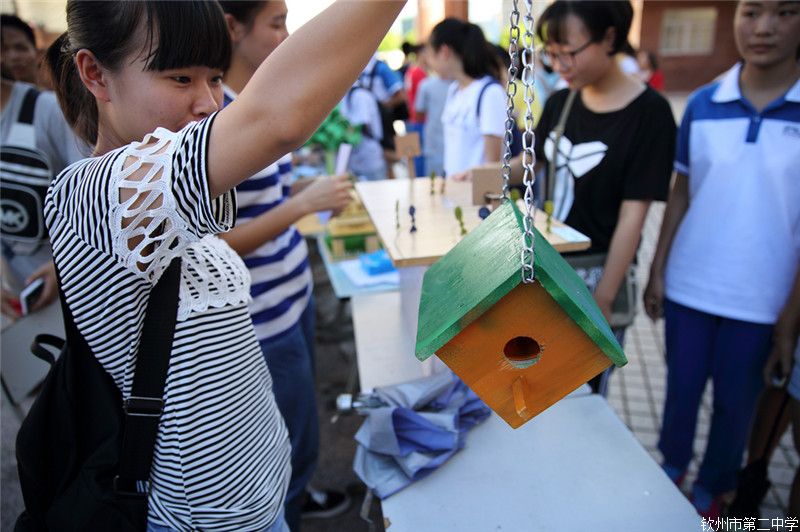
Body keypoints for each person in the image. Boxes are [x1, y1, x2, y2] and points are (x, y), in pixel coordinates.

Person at [44, 1, 405, 530]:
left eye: (214, 78)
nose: (208, 103)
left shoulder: (158, 196)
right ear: (95, 74)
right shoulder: (93, 193)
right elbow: (275, 119)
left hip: (256, 497)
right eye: (179, 77)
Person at [643, 0, 800, 519]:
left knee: (737, 409)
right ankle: (670, 474)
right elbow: (682, 190)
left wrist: (790, 317)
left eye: (785, 13)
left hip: (761, 301)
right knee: (679, 395)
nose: (765, 28)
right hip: (690, 288)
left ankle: (716, 495)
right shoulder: (706, 102)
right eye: (751, 12)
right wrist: (659, 269)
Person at [217, 2, 353, 528]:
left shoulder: (251, 103)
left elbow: (260, 195)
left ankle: (300, 497)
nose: (286, 34)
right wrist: (302, 205)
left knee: (301, 430)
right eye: (275, 22)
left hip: (290, 292)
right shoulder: (217, 116)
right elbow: (213, 242)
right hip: (261, 316)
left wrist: (301, 192)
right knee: (283, 446)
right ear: (234, 27)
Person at [532, 0, 675, 395]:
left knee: (581, 396)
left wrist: (605, 300)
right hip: (547, 270)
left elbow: (634, 215)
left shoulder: (651, 114)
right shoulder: (563, 101)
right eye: (551, 54)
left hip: (596, 276)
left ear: (610, 37)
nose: (560, 65)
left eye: (569, 53)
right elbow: (531, 165)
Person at [1, 17, 87, 318]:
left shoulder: (46, 108)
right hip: (18, 300)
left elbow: (94, 189)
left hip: (74, 289)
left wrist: (62, 263)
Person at [428, 18, 506, 181]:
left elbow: (493, 165)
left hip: (477, 198)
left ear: (444, 52)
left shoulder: (490, 93)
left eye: (430, 53)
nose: (429, 62)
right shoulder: (454, 90)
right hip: (454, 191)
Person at [414, 45, 450, 177]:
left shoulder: (426, 84)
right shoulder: (426, 84)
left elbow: (419, 114)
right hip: (436, 147)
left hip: (435, 147)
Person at [0, 15, 40, 86]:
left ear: (36, 52)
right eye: (2, 50)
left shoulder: (56, 94)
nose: (13, 56)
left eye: (20, 48)